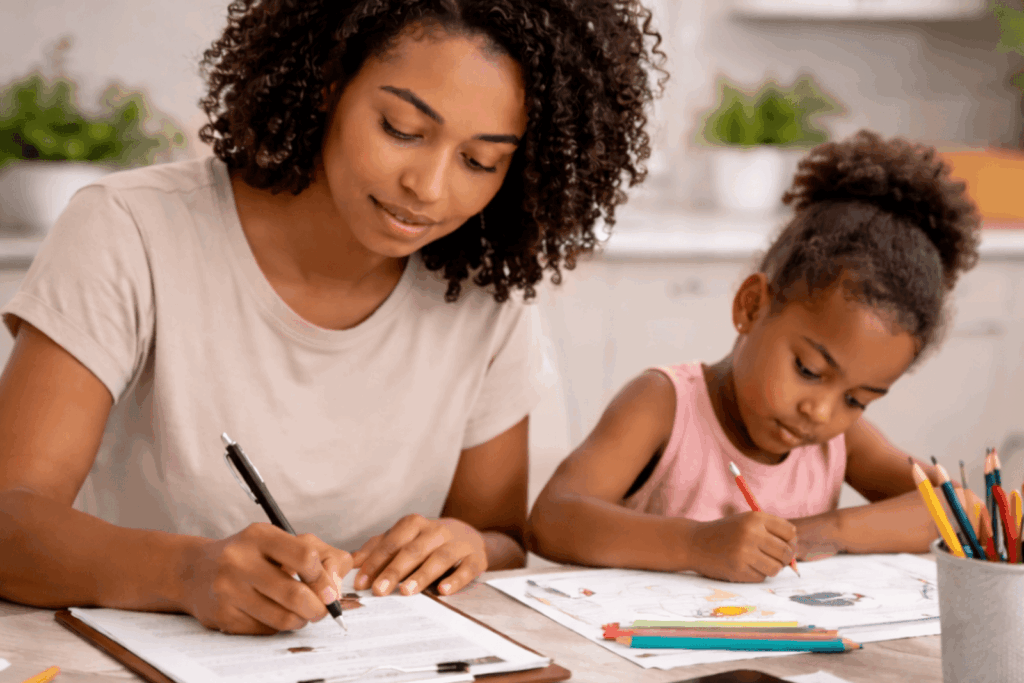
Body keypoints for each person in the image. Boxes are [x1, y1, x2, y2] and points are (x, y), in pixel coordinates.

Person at [0, 0, 665, 634]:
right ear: (328, 80)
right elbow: (10, 520)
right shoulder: (130, 232)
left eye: (479, 160)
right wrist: (187, 571)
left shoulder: (484, 292)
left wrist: (464, 544)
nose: (430, 188)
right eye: (402, 130)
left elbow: (498, 535)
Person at [528, 130, 988, 583]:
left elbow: (961, 509)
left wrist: (815, 534)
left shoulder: (837, 442)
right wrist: (697, 544)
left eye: (858, 400)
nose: (821, 411)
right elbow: (552, 520)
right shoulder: (665, 405)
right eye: (808, 370)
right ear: (751, 306)